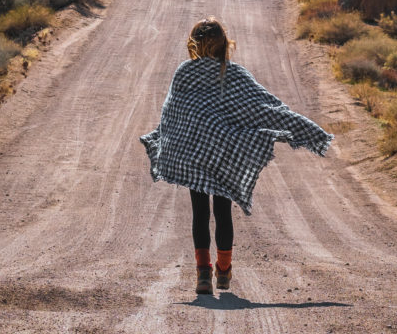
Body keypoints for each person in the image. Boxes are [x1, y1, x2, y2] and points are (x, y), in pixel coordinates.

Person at [140, 18, 333, 297]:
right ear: (223, 44)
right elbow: (267, 107)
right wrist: (305, 128)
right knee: (222, 212)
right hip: (224, 154)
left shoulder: (184, 72)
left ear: (194, 43)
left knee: (199, 213)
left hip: (194, 155)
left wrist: (165, 139)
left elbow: (172, 113)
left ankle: (203, 274)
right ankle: (224, 271)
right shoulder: (233, 74)